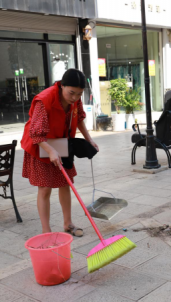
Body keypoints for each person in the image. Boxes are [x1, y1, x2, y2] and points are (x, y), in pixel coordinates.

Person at [21, 69, 98, 236]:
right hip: (40, 144)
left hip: (61, 143)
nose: (74, 98)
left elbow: (79, 120)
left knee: (66, 183)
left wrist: (89, 139)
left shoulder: (75, 100)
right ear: (62, 86)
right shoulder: (44, 100)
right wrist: (50, 151)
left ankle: (68, 224)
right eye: (71, 93)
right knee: (45, 188)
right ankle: (46, 231)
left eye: (79, 94)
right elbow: (36, 134)